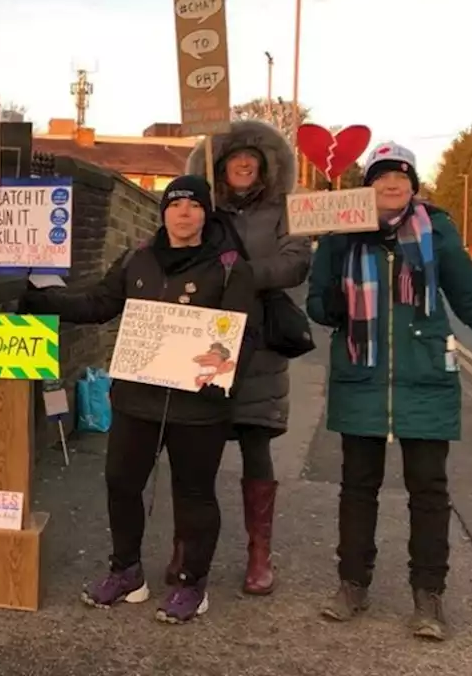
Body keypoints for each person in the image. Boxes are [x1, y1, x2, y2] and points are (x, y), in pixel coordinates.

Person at [306, 142, 472, 641]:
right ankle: (352, 585)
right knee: (357, 488)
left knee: (429, 490)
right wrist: (335, 301)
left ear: (413, 185)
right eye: (381, 176)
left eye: (401, 177)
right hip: (361, 375)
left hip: (426, 376)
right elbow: (316, 306)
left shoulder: (437, 232)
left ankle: (429, 597)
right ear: (368, 185)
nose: (391, 184)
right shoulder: (340, 236)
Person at [18, 175, 257, 624]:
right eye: (176, 204)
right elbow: (98, 303)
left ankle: (191, 583)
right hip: (137, 396)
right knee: (122, 484)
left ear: (206, 213)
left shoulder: (228, 266)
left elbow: (244, 334)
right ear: (163, 212)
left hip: (198, 405)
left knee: (194, 494)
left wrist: (222, 374)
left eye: (193, 205)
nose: (184, 213)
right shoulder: (137, 259)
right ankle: (126, 571)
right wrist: (41, 301)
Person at [185, 119, 308, 595]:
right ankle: (187, 546)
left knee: (256, 445)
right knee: (195, 449)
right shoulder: (202, 209)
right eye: (235, 157)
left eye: (252, 158)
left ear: (265, 166)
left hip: (259, 342)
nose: (243, 163)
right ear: (219, 165)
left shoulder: (285, 211)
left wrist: (240, 275)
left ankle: (259, 554)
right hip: (202, 341)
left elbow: (295, 261)